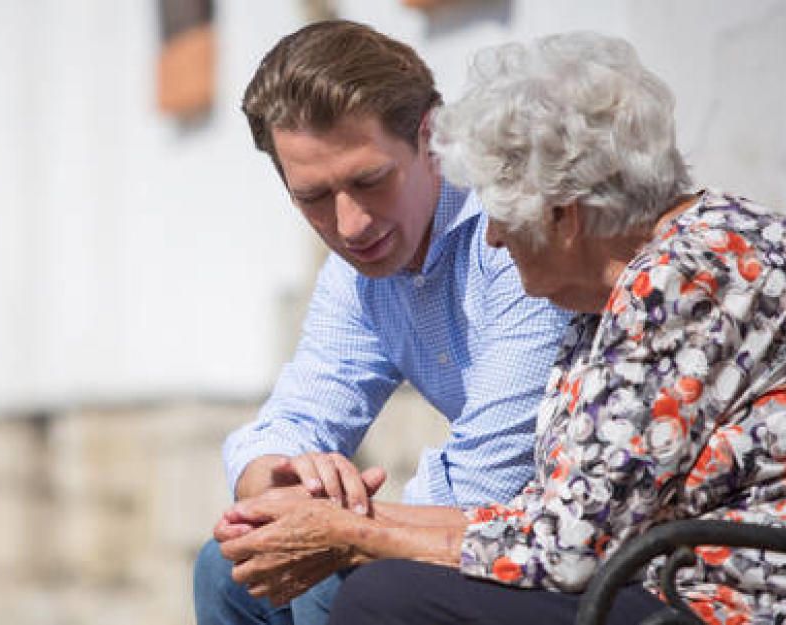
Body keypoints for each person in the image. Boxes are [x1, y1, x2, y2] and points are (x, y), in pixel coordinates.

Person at [217, 31, 786, 625]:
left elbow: (566, 543)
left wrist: (349, 529)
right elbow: (567, 515)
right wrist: (306, 513)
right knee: (258, 574)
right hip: (669, 572)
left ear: (566, 216)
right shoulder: (626, 290)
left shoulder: (688, 276)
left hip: (750, 600)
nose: (492, 236)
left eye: (504, 215)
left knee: (381, 596)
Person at [193, 20, 573, 625]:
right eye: (313, 197)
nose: (350, 225)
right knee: (228, 565)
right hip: (479, 535)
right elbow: (298, 414)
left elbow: (489, 485)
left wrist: (331, 526)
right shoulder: (359, 268)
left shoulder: (513, 233)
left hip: (556, 546)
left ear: (429, 137)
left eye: (369, 181)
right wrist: (276, 481)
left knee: (331, 578)